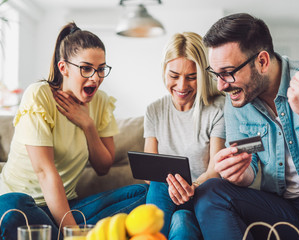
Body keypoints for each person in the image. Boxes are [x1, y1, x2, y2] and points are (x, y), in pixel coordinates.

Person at [193, 13, 299, 240]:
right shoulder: (237, 101)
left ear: (262, 61)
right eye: (216, 74)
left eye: (228, 73)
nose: (221, 86)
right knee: (210, 193)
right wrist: (240, 173)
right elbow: (249, 161)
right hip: (284, 212)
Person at [0, 22, 148, 240]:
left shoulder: (101, 102)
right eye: (86, 68)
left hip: (66, 207)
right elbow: (45, 172)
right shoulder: (39, 96)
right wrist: (74, 234)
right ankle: (77, 235)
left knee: (143, 194)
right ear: (63, 68)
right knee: (10, 206)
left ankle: (54, 232)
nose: (96, 77)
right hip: (25, 205)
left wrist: (87, 124)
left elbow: (103, 166)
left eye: (100, 69)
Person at [144, 32, 226, 239]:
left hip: (201, 194)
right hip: (164, 196)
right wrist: (173, 186)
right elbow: (148, 170)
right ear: (164, 72)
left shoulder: (217, 109)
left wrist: (191, 187)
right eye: (174, 76)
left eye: (192, 77)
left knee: (181, 211)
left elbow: (214, 172)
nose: (182, 86)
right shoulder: (154, 110)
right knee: (181, 222)